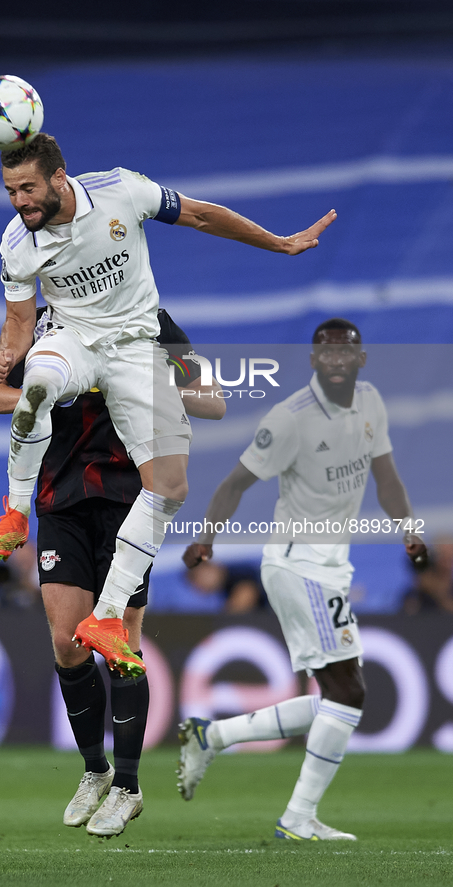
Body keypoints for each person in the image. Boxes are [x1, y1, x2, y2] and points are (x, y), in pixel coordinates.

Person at [0, 132, 336, 678]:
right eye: (10, 191)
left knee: (171, 488)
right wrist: (13, 361)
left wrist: (158, 385)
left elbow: (212, 402)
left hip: (124, 488)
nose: (19, 201)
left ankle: (109, 624)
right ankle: (14, 513)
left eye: (27, 188)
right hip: (64, 485)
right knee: (42, 383)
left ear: (58, 178)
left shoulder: (164, 332)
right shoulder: (30, 273)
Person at [0, 305, 223, 837]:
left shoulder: (151, 320)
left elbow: (213, 402)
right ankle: (95, 771)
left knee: (121, 642)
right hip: (59, 500)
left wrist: (150, 387)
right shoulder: (39, 324)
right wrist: (53, 398)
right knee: (66, 642)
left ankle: (128, 788)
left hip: (131, 503)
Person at [178, 317, 427, 841]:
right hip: (298, 565)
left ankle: (213, 735)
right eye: (326, 353)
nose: (337, 360)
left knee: (337, 695)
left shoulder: (372, 405)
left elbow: (385, 475)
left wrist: (408, 527)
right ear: (314, 360)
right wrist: (206, 538)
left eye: (347, 352)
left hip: (332, 568)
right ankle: (297, 818)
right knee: (350, 692)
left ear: (361, 360)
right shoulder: (289, 419)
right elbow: (235, 482)